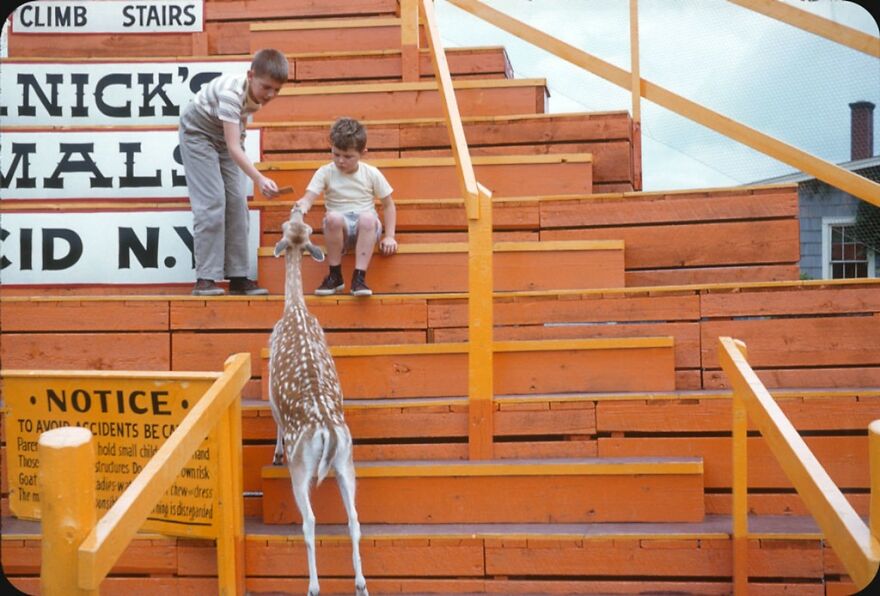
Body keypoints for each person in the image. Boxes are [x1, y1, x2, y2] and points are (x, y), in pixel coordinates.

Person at [179, 48, 289, 296]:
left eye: (277, 90)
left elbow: (235, 138)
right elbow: (232, 147)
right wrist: (259, 178)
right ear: (250, 76)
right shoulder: (231, 94)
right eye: (267, 87)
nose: (271, 94)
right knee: (212, 201)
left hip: (224, 134)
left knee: (238, 201)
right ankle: (205, 278)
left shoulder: (256, 99)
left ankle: (238, 275)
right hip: (198, 132)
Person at [293, 117, 397, 297]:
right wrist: (303, 204)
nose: (341, 161)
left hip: (366, 228)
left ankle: (359, 278)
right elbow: (309, 197)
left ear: (363, 152)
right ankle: (335, 275)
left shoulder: (371, 173)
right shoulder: (326, 172)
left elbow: (388, 205)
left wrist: (390, 236)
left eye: (348, 156)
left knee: (367, 218)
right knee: (333, 217)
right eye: (336, 154)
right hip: (339, 229)